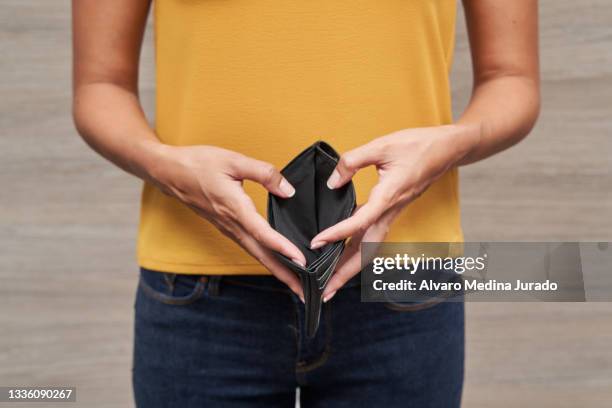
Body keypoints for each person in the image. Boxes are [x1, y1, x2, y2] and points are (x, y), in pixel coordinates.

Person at [72, 0, 539, 406]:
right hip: (200, 287)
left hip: (402, 277)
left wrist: (451, 144)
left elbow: (512, 79)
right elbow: (100, 86)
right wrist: (162, 164)